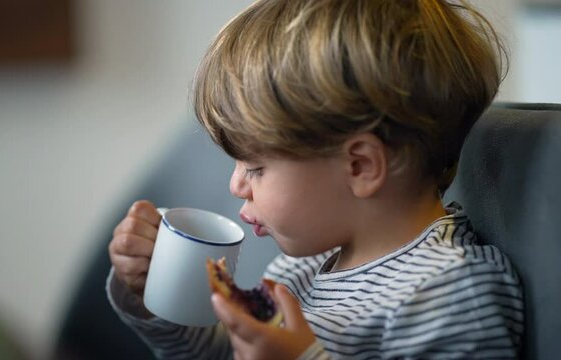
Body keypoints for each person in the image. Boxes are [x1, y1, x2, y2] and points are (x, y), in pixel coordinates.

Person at [106, 0, 524, 358]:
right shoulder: (303, 267)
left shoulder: (449, 295)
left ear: (360, 167)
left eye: (255, 167)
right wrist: (153, 293)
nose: (236, 185)